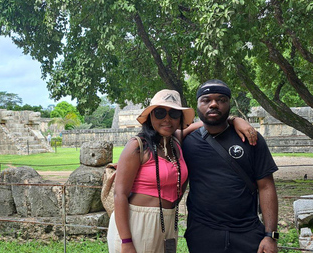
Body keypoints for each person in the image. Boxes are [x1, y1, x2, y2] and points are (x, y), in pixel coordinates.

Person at [106, 89, 255, 253]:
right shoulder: (138, 145)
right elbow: (119, 194)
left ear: (180, 119)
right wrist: (126, 242)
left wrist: (234, 120)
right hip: (137, 223)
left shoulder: (175, 141)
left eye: (174, 114)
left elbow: (208, 123)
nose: (167, 119)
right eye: (160, 113)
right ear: (150, 117)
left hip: (169, 222)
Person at [182, 80, 279, 253]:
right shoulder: (186, 142)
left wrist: (270, 235)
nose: (213, 104)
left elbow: (266, 186)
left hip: (247, 233)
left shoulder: (251, 139)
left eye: (221, 99)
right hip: (202, 234)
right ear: (197, 104)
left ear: (229, 104)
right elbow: (154, 149)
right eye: (206, 100)